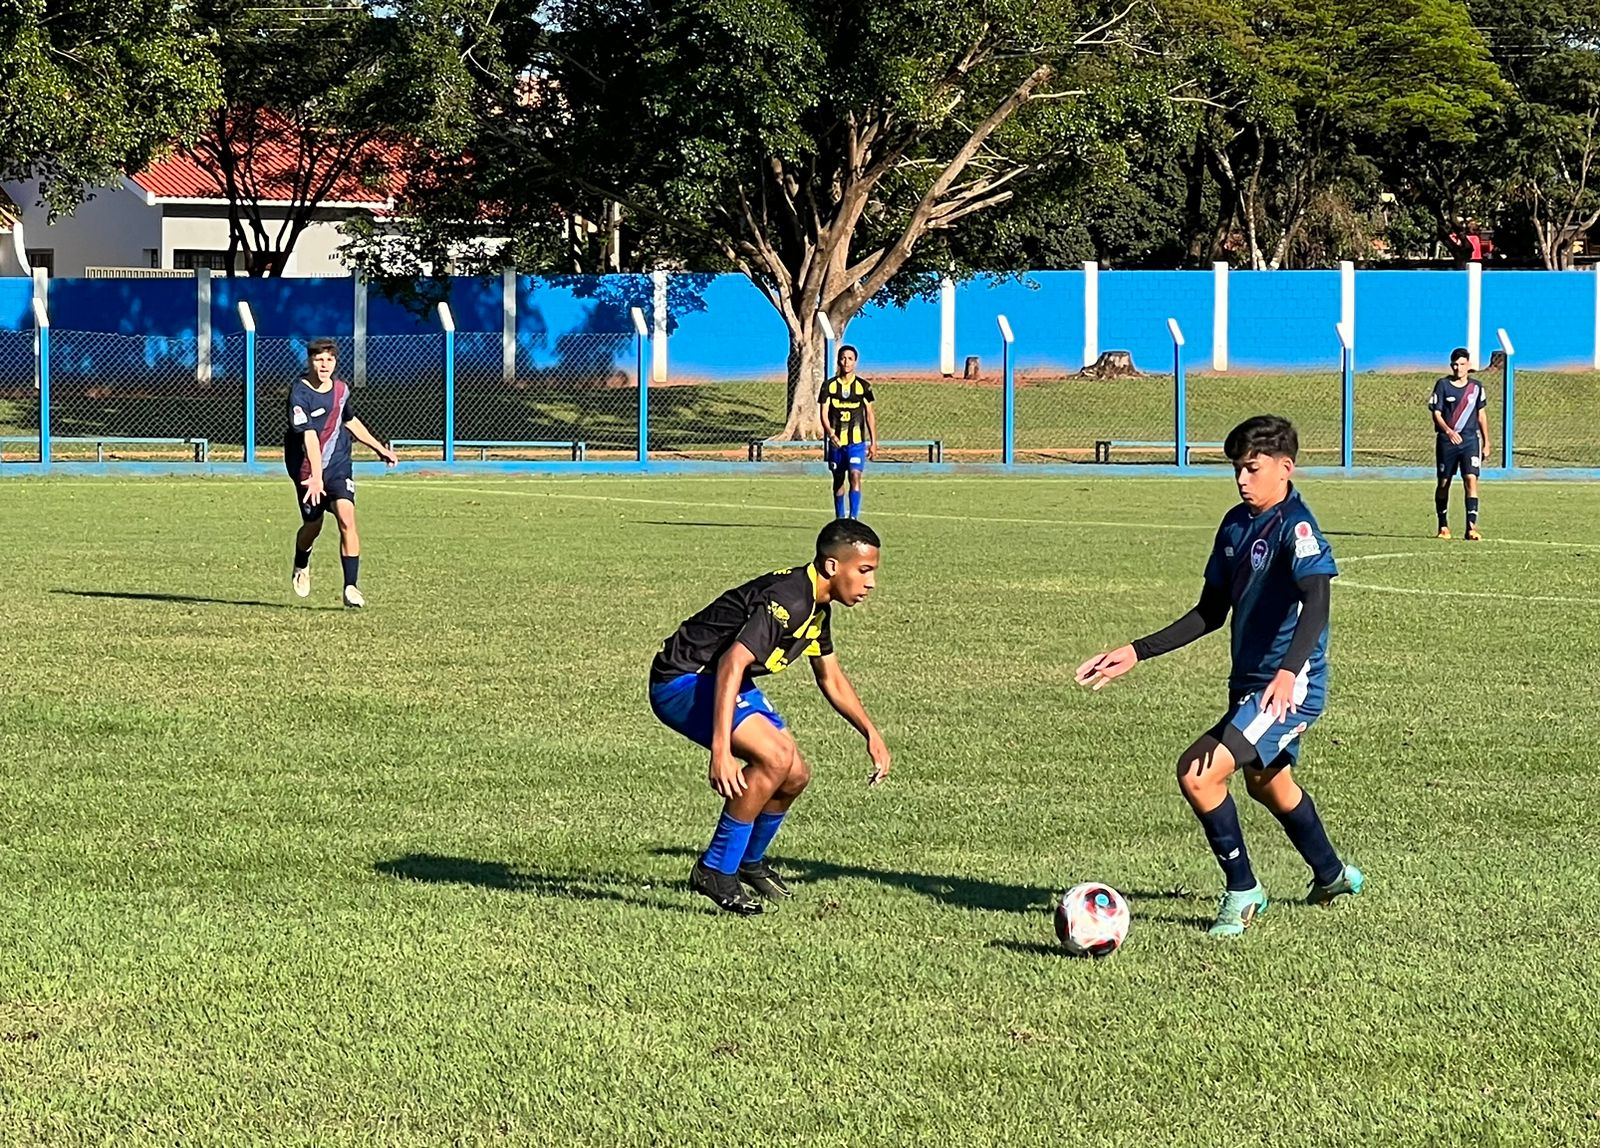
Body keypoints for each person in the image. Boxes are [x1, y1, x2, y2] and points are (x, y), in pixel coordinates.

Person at [1075, 415, 1363, 937]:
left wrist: (1286, 671)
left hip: (1287, 687)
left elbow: (1318, 599)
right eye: (1236, 469)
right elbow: (1210, 611)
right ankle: (1333, 874)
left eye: (1252, 468)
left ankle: (1244, 890)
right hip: (1251, 683)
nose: (1242, 480)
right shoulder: (1235, 524)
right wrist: (1137, 652)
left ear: (1285, 468)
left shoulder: (1295, 525)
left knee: (1197, 773)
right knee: (1269, 784)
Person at [649, 519, 891, 915]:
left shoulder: (816, 608)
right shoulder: (791, 601)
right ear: (833, 567)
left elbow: (829, 675)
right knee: (775, 757)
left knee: (795, 774)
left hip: (721, 681)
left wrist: (870, 732)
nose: (871, 583)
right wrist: (721, 750)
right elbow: (731, 662)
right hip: (682, 680)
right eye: (864, 570)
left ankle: (749, 862)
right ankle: (715, 869)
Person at [285, 338, 398, 607]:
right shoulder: (299, 393)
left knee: (347, 517)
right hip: (305, 466)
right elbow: (309, 437)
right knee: (313, 526)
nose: (324, 365)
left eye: (329, 360)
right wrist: (314, 475)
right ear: (309, 361)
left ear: (335, 362)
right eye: (319, 359)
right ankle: (302, 560)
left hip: (338, 464)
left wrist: (378, 448)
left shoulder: (341, 390)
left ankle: (351, 587)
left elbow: (349, 420)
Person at [1429, 347, 1490, 540]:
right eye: (1455, 364)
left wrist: (1487, 442)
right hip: (1447, 442)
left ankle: (1471, 528)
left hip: (1470, 440)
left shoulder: (1476, 387)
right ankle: (1443, 526)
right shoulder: (1443, 385)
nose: (1458, 368)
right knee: (1444, 483)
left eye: (1462, 364)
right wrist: (1448, 431)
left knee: (1470, 479)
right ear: (1451, 365)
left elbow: (1481, 414)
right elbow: (1436, 412)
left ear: (1468, 365)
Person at [817, 345, 878, 519]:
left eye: (850, 358)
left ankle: (853, 518)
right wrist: (830, 434)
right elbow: (823, 414)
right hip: (837, 443)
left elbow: (869, 415)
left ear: (855, 362)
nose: (846, 362)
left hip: (856, 443)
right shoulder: (828, 386)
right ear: (838, 360)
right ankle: (839, 518)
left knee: (855, 475)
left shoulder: (863, 387)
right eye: (843, 358)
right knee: (838, 480)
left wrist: (873, 443)